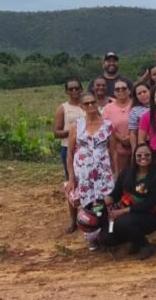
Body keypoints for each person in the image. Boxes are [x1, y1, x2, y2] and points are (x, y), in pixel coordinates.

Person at [66, 93, 118, 249]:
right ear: (82, 106)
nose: (90, 106)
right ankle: (91, 236)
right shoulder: (76, 126)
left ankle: (109, 235)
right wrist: (71, 178)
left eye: (93, 102)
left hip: (103, 173)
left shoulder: (107, 125)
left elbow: (113, 151)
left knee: (107, 204)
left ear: (97, 104)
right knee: (88, 205)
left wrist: (115, 173)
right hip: (84, 175)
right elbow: (70, 153)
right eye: (86, 103)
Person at [100, 143, 156, 260]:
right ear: (134, 157)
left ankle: (145, 246)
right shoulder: (126, 172)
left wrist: (122, 211)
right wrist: (98, 204)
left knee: (122, 222)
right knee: (105, 237)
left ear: (152, 156)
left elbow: (149, 205)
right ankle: (134, 240)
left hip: (150, 215)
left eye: (147, 155)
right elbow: (115, 195)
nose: (143, 157)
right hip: (125, 214)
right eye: (139, 155)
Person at [54, 78, 86, 233]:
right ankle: (73, 220)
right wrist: (74, 131)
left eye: (76, 88)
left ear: (81, 89)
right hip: (69, 149)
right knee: (72, 183)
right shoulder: (63, 108)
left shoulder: (87, 105)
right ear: (66, 91)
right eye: (71, 89)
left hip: (86, 150)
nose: (74, 91)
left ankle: (88, 216)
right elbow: (56, 132)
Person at [105, 79, 135, 171]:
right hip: (117, 150)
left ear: (129, 90)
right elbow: (106, 127)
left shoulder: (136, 104)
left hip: (136, 148)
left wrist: (130, 137)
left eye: (124, 88)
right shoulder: (108, 108)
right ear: (114, 92)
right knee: (120, 175)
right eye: (117, 89)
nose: (121, 90)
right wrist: (120, 138)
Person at [127, 82, 152, 159]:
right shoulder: (134, 110)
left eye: (144, 91)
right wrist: (134, 151)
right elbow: (133, 133)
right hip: (145, 143)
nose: (142, 95)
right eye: (139, 93)